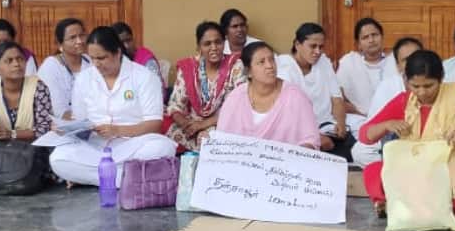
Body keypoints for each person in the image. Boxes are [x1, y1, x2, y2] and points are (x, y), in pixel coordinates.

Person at [358, 50, 455, 221]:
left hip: (454, 166)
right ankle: (425, 206)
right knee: (372, 172)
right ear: (406, 81)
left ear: (441, 79)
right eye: (415, 86)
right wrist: (386, 125)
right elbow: (365, 135)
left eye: (429, 86)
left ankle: (406, 205)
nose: (422, 93)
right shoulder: (404, 101)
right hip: (414, 168)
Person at [48, 26, 175, 187]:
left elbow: (154, 124)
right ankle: (128, 178)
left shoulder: (144, 77)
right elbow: (80, 120)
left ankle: (102, 177)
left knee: (162, 148)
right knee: (58, 158)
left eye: (102, 58)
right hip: (96, 147)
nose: (96, 64)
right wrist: (66, 128)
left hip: (134, 144)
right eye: (92, 58)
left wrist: (118, 130)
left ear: (117, 52)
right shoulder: (84, 79)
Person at [0, 41, 54, 190]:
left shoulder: (38, 87)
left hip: (33, 151)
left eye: (20, 59)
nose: (16, 64)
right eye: (9, 61)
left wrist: (11, 134)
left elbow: (45, 129)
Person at [217, 42, 321, 148]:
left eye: (271, 60)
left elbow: (311, 141)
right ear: (249, 72)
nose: (270, 66)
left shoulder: (295, 97)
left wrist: (297, 154)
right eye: (262, 62)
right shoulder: (236, 98)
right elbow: (221, 139)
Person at [165, 21, 245, 151]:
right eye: (207, 44)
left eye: (218, 42)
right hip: (191, 124)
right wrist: (187, 125)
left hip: (222, 123)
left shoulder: (235, 65)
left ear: (224, 43)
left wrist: (202, 125)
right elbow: (175, 105)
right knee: (164, 127)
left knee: (212, 137)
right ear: (199, 47)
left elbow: (237, 106)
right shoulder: (189, 68)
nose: (214, 47)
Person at [276, 23, 350, 159]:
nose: (318, 51)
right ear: (297, 44)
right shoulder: (284, 68)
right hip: (300, 132)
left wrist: (341, 123)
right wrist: (315, 137)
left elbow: (337, 98)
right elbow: (287, 114)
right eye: (313, 46)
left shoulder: (323, 62)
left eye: (321, 47)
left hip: (328, 128)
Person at [351, 36, 422, 166]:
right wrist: (388, 125)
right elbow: (369, 129)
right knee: (359, 151)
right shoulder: (389, 86)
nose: (412, 63)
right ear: (398, 66)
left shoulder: (437, 83)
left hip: (428, 142)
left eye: (416, 57)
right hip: (394, 140)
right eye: (406, 60)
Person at [336, 18, 397, 133]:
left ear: (382, 37)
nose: (371, 40)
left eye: (375, 35)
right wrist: (358, 113)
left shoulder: (394, 60)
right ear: (358, 44)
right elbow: (338, 96)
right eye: (365, 37)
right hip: (361, 118)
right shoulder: (350, 62)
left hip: (394, 119)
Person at [37, 17, 91, 119]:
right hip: (63, 126)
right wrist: (86, 119)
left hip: (96, 122)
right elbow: (58, 111)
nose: (79, 41)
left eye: (82, 35)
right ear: (59, 43)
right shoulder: (50, 66)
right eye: (72, 38)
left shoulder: (91, 61)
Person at [113, 21, 165, 95]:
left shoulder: (146, 59)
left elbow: (156, 89)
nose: (126, 46)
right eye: (121, 43)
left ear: (133, 39)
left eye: (128, 40)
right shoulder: (113, 60)